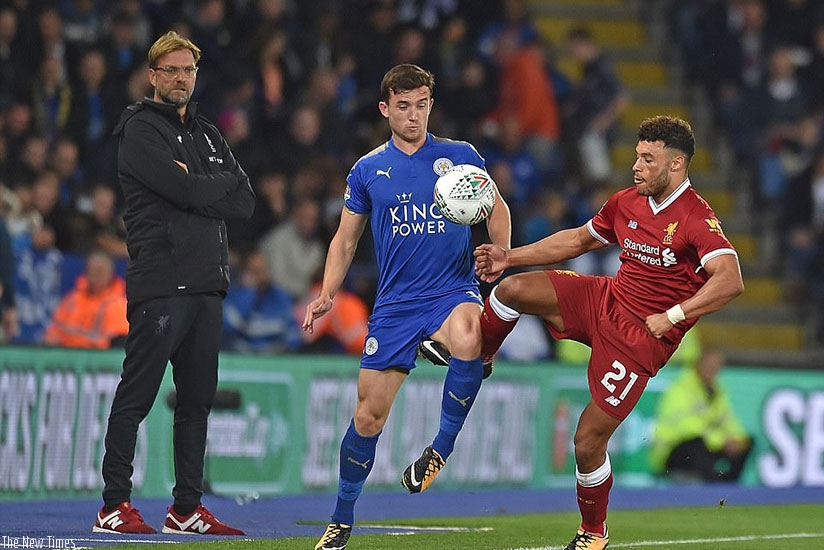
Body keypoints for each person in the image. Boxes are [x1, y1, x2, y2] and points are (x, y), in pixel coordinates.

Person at [474, 115, 744, 550]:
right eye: (637, 156)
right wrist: (510, 256)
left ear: (676, 165)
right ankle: (481, 359)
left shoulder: (696, 218)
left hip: (640, 339)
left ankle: (593, 532)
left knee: (586, 442)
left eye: (648, 159)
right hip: (605, 299)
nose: (636, 166)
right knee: (512, 289)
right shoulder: (627, 202)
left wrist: (674, 315)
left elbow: (730, 279)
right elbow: (578, 241)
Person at [305, 63, 511, 550]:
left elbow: (497, 208)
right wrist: (328, 292)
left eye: (421, 105)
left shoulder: (460, 157)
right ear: (385, 109)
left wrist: (501, 253)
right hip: (395, 306)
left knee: (470, 333)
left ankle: (439, 450)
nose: (413, 115)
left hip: (451, 290)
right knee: (367, 417)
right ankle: (341, 518)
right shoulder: (367, 170)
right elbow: (345, 239)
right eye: (403, 106)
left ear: (431, 105)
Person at [92, 31, 254, 536]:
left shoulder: (206, 132)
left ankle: (185, 509)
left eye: (188, 70)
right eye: (171, 70)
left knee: (196, 404)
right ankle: (113, 505)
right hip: (161, 284)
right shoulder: (140, 129)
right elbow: (183, 189)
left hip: (207, 285)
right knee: (137, 396)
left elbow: (245, 200)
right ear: (153, 76)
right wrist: (209, 185)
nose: (181, 78)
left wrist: (199, 186)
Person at [651, 348, 752, 482]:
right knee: (698, 443)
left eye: (716, 366)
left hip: (707, 443)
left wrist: (737, 439)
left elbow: (728, 420)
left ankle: (727, 486)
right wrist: (721, 440)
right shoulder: (681, 388)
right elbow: (684, 425)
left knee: (747, 442)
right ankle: (712, 485)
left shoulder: (717, 391)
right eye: (709, 365)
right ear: (698, 364)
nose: (712, 369)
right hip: (671, 450)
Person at [44, 250, 129, 349]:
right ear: (86, 272)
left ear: (111, 273)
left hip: (99, 356)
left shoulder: (120, 305)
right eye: (92, 270)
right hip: (64, 355)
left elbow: (117, 344)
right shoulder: (71, 301)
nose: (96, 275)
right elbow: (52, 334)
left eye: (100, 271)